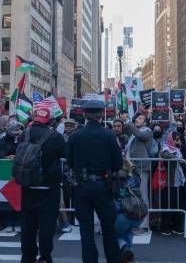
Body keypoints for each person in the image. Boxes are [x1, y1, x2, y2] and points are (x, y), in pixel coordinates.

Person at [66, 99, 123, 263]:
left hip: (81, 186)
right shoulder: (109, 135)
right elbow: (118, 163)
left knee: (86, 230)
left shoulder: (75, 135)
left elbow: (69, 161)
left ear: (84, 114)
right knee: (109, 229)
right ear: (100, 115)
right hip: (103, 186)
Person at [19, 106, 66, 263]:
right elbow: (66, 154)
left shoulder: (24, 133)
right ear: (50, 120)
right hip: (48, 188)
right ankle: (45, 257)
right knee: (46, 226)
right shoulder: (55, 137)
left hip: (27, 186)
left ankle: (27, 257)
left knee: (28, 227)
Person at [124, 113, 153, 234]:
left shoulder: (147, 131)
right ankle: (134, 223)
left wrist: (129, 122)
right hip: (132, 169)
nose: (137, 119)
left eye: (140, 118)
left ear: (145, 122)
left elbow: (140, 135)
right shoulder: (133, 133)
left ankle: (144, 225)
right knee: (134, 196)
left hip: (141, 168)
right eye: (136, 118)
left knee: (142, 196)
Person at [114, 159, 144, 263]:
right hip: (137, 215)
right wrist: (132, 167)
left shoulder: (116, 179)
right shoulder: (135, 178)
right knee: (128, 233)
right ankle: (129, 258)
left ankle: (123, 246)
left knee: (115, 235)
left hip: (122, 215)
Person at [159, 132, 186, 235]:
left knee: (177, 204)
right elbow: (167, 156)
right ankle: (165, 227)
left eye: (179, 139)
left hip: (178, 182)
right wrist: (177, 154)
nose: (177, 141)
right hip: (168, 182)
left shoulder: (179, 149)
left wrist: (179, 149)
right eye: (175, 139)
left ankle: (177, 226)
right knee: (168, 204)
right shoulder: (165, 148)